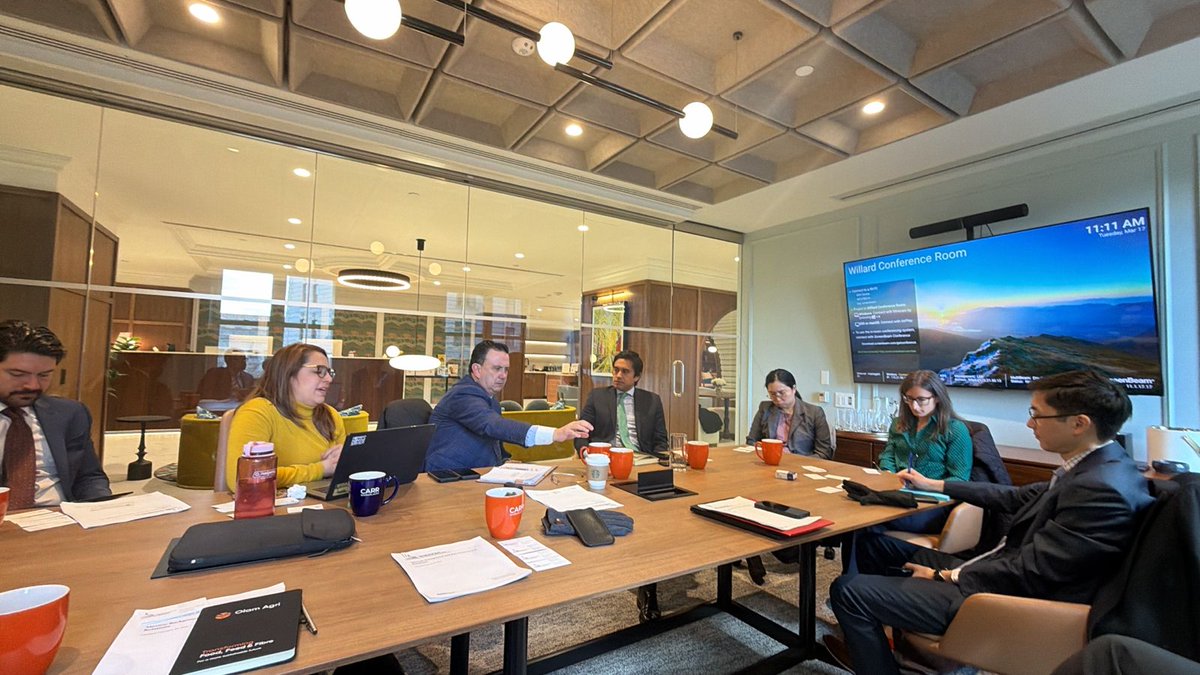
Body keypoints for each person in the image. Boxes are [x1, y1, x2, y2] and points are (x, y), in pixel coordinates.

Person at [826, 370, 1154, 675]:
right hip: (993, 568)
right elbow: (1011, 497)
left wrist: (944, 575)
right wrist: (936, 485)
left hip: (1000, 596)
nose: (1030, 423)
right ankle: (881, 643)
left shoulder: (1100, 489)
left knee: (848, 591)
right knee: (873, 545)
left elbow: (1034, 571)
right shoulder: (1098, 467)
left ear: (1079, 424)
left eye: (1037, 414)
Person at [425, 340, 592, 472]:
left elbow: (493, 441)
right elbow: (493, 425)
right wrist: (556, 433)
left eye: (506, 370)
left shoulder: (490, 399)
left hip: (477, 473)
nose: (503, 375)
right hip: (448, 477)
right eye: (497, 368)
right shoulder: (463, 394)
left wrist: (506, 461)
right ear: (476, 370)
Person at [0, 319, 111, 507]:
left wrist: (101, 507)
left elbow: (88, 477)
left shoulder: (70, 414)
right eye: (18, 374)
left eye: (44, 375)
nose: (32, 385)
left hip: (60, 516)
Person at [224, 342, 345, 490]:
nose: (329, 379)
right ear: (289, 373)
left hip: (321, 502)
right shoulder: (258, 411)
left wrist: (347, 460)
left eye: (329, 372)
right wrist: (320, 469)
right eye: (319, 371)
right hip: (271, 503)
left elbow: (343, 475)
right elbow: (243, 478)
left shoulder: (331, 415)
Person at [874, 370, 973, 535]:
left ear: (937, 398)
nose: (914, 406)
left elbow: (960, 479)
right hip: (899, 495)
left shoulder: (955, 430)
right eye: (909, 399)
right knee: (860, 518)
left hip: (934, 503)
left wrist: (925, 483)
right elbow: (888, 456)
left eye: (921, 400)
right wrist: (890, 475)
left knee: (872, 521)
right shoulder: (898, 424)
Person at [575, 350, 668, 458]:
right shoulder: (597, 397)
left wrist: (657, 461)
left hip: (641, 458)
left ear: (637, 376)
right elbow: (581, 433)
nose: (618, 375)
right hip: (605, 457)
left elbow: (660, 440)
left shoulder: (652, 401)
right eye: (616, 370)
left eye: (625, 371)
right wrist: (586, 453)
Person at [747, 368, 834, 458]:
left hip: (801, 462)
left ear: (794, 389)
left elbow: (823, 452)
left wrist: (798, 462)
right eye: (772, 394)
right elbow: (751, 441)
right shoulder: (765, 408)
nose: (777, 398)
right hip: (770, 460)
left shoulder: (814, 413)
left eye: (782, 393)